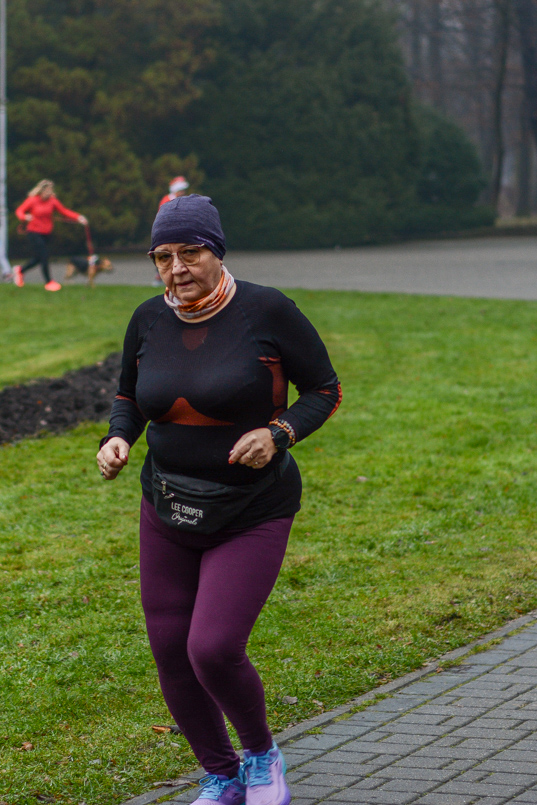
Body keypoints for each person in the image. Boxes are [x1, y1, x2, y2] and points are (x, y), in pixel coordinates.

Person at [96, 195, 341, 805]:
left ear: (217, 251)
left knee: (212, 647)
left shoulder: (267, 310)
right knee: (171, 651)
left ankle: (262, 756)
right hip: (167, 505)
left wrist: (279, 433)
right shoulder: (148, 319)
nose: (177, 268)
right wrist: (118, 437)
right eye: (163, 257)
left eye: (191, 252)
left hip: (250, 509)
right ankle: (220, 774)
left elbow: (325, 390)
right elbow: (128, 394)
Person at [12, 179, 87, 291]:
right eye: (47, 190)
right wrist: (25, 217)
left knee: (39, 258)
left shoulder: (53, 201)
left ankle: (20, 270)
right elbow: (19, 211)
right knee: (44, 256)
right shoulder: (32, 200)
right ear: (41, 191)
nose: (49, 192)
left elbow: (64, 211)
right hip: (33, 232)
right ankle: (49, 282)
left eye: (50, 190)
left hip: (46, 233)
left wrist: (78, 217)